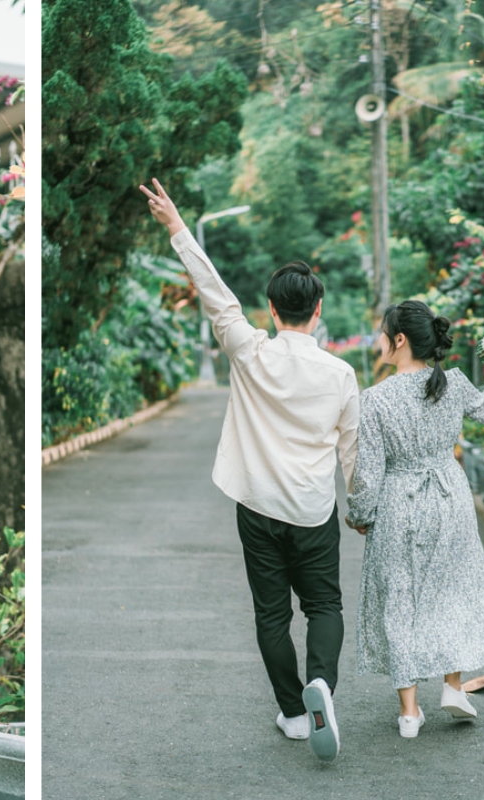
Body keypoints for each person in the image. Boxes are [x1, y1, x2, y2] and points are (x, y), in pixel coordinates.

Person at [141, 179, 359, 763]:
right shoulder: (340, 375)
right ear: (317, 310)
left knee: (270, 614)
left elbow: (213, 292)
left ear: (270, 309)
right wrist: (360, 509)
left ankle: (292, 711)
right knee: (325, 607)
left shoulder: (248, 350)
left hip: (258, 509)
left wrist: (176, 228)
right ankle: (322, 686)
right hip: (313, 510)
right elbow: (351, 452)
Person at [345, 300, 484, 739]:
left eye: (383, 333)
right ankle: (454, 686)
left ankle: (409, 712)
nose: (380, 340)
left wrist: (359, 514)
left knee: (400, 599)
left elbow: (369, 472)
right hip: (449, 497)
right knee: (451, 588)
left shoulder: (376, 398)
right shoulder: (452, 384)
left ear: (399, 340)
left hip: (400, 503)